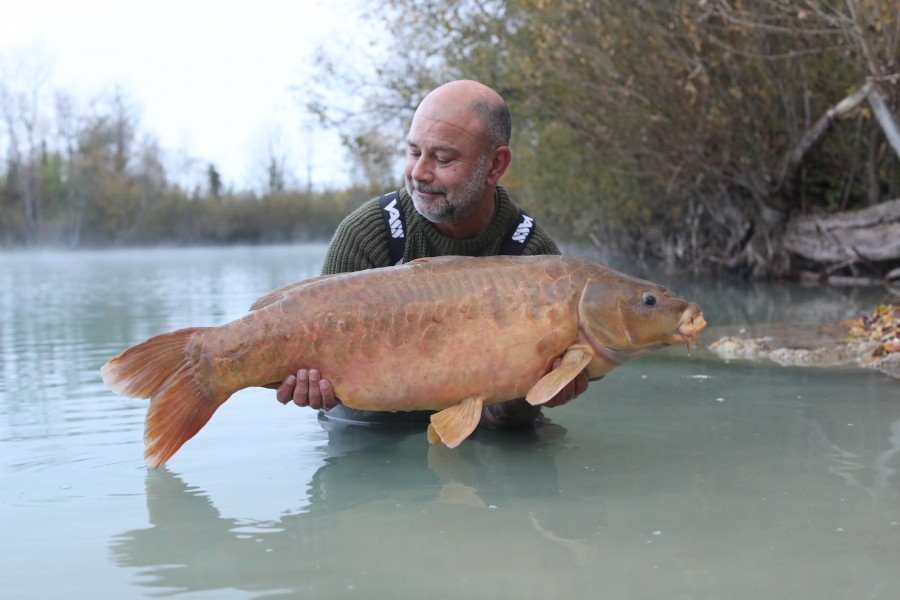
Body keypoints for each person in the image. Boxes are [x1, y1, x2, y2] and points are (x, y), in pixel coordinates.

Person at [276, 79, 589, 429]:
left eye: (442, 158)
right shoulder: (367, 234)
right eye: (413, 152)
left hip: (483, 431)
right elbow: (318, 370)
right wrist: (313, 386)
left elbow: (511, 419)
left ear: (495, 166)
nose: (419, 173)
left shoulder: (535, 258)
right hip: (371, 431)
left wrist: (545, 390)